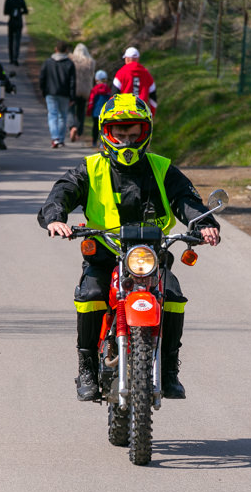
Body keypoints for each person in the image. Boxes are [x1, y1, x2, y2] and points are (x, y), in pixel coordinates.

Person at [37, 94, 221, 401]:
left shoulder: (162, 168)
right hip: (106, 251)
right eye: (119, 134)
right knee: (90, 295)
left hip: (151, 253)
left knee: (173, 295)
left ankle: (170, 369)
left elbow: (186, 200)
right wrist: (56, 218)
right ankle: (86, 367)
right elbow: (63, 192)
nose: (126, 142)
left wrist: (203, 223)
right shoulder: (91, 168)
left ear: (145, 133)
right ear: (106, 133)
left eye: (133, 134)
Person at [39, 41, 76, 148]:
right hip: (65, 94)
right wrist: (72, 96)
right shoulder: (69, 63)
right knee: (62, 116)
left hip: (50, 93)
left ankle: (54, 138)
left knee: (52, 115)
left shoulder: (48, 62)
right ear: (66, 51)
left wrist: (43, 91)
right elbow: (72, 82)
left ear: (55, 49)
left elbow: (42, 78)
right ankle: (60, 139)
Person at [112, 46, 157, 114]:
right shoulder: (147, 74)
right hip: (142, 113)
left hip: (124, 113)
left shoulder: (121, 73)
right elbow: (153, 97)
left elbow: (114, 94)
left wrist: (114, 112)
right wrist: (152, 113)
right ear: (137, 59)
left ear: (127, 59)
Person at [68, 43, 96, 143]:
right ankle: (79, 132)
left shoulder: (71, 60)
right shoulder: (90, 62)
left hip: (74, 88)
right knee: (81, 111)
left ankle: (72, 126)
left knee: (70, 109)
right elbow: (92, 75)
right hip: (85, 89)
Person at [86, 70, 112, 147]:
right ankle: (103, 143)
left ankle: (94, 142)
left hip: (96, 112)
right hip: (106, 112)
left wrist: (89, 111)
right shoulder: (108, 89)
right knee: (105, 128)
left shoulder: (95, 89)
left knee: (95, 127)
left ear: (96, 80)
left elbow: (91, 101)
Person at [3, 0, 28, 66]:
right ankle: (15, 58)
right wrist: (20, 12)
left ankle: (11, 59)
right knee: (17, 41)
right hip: (18, 22)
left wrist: (11, 12)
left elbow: (5, 12)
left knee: (10, 41)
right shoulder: (21, 0)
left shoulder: (8, 0)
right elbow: (26, 11)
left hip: (11, 22)